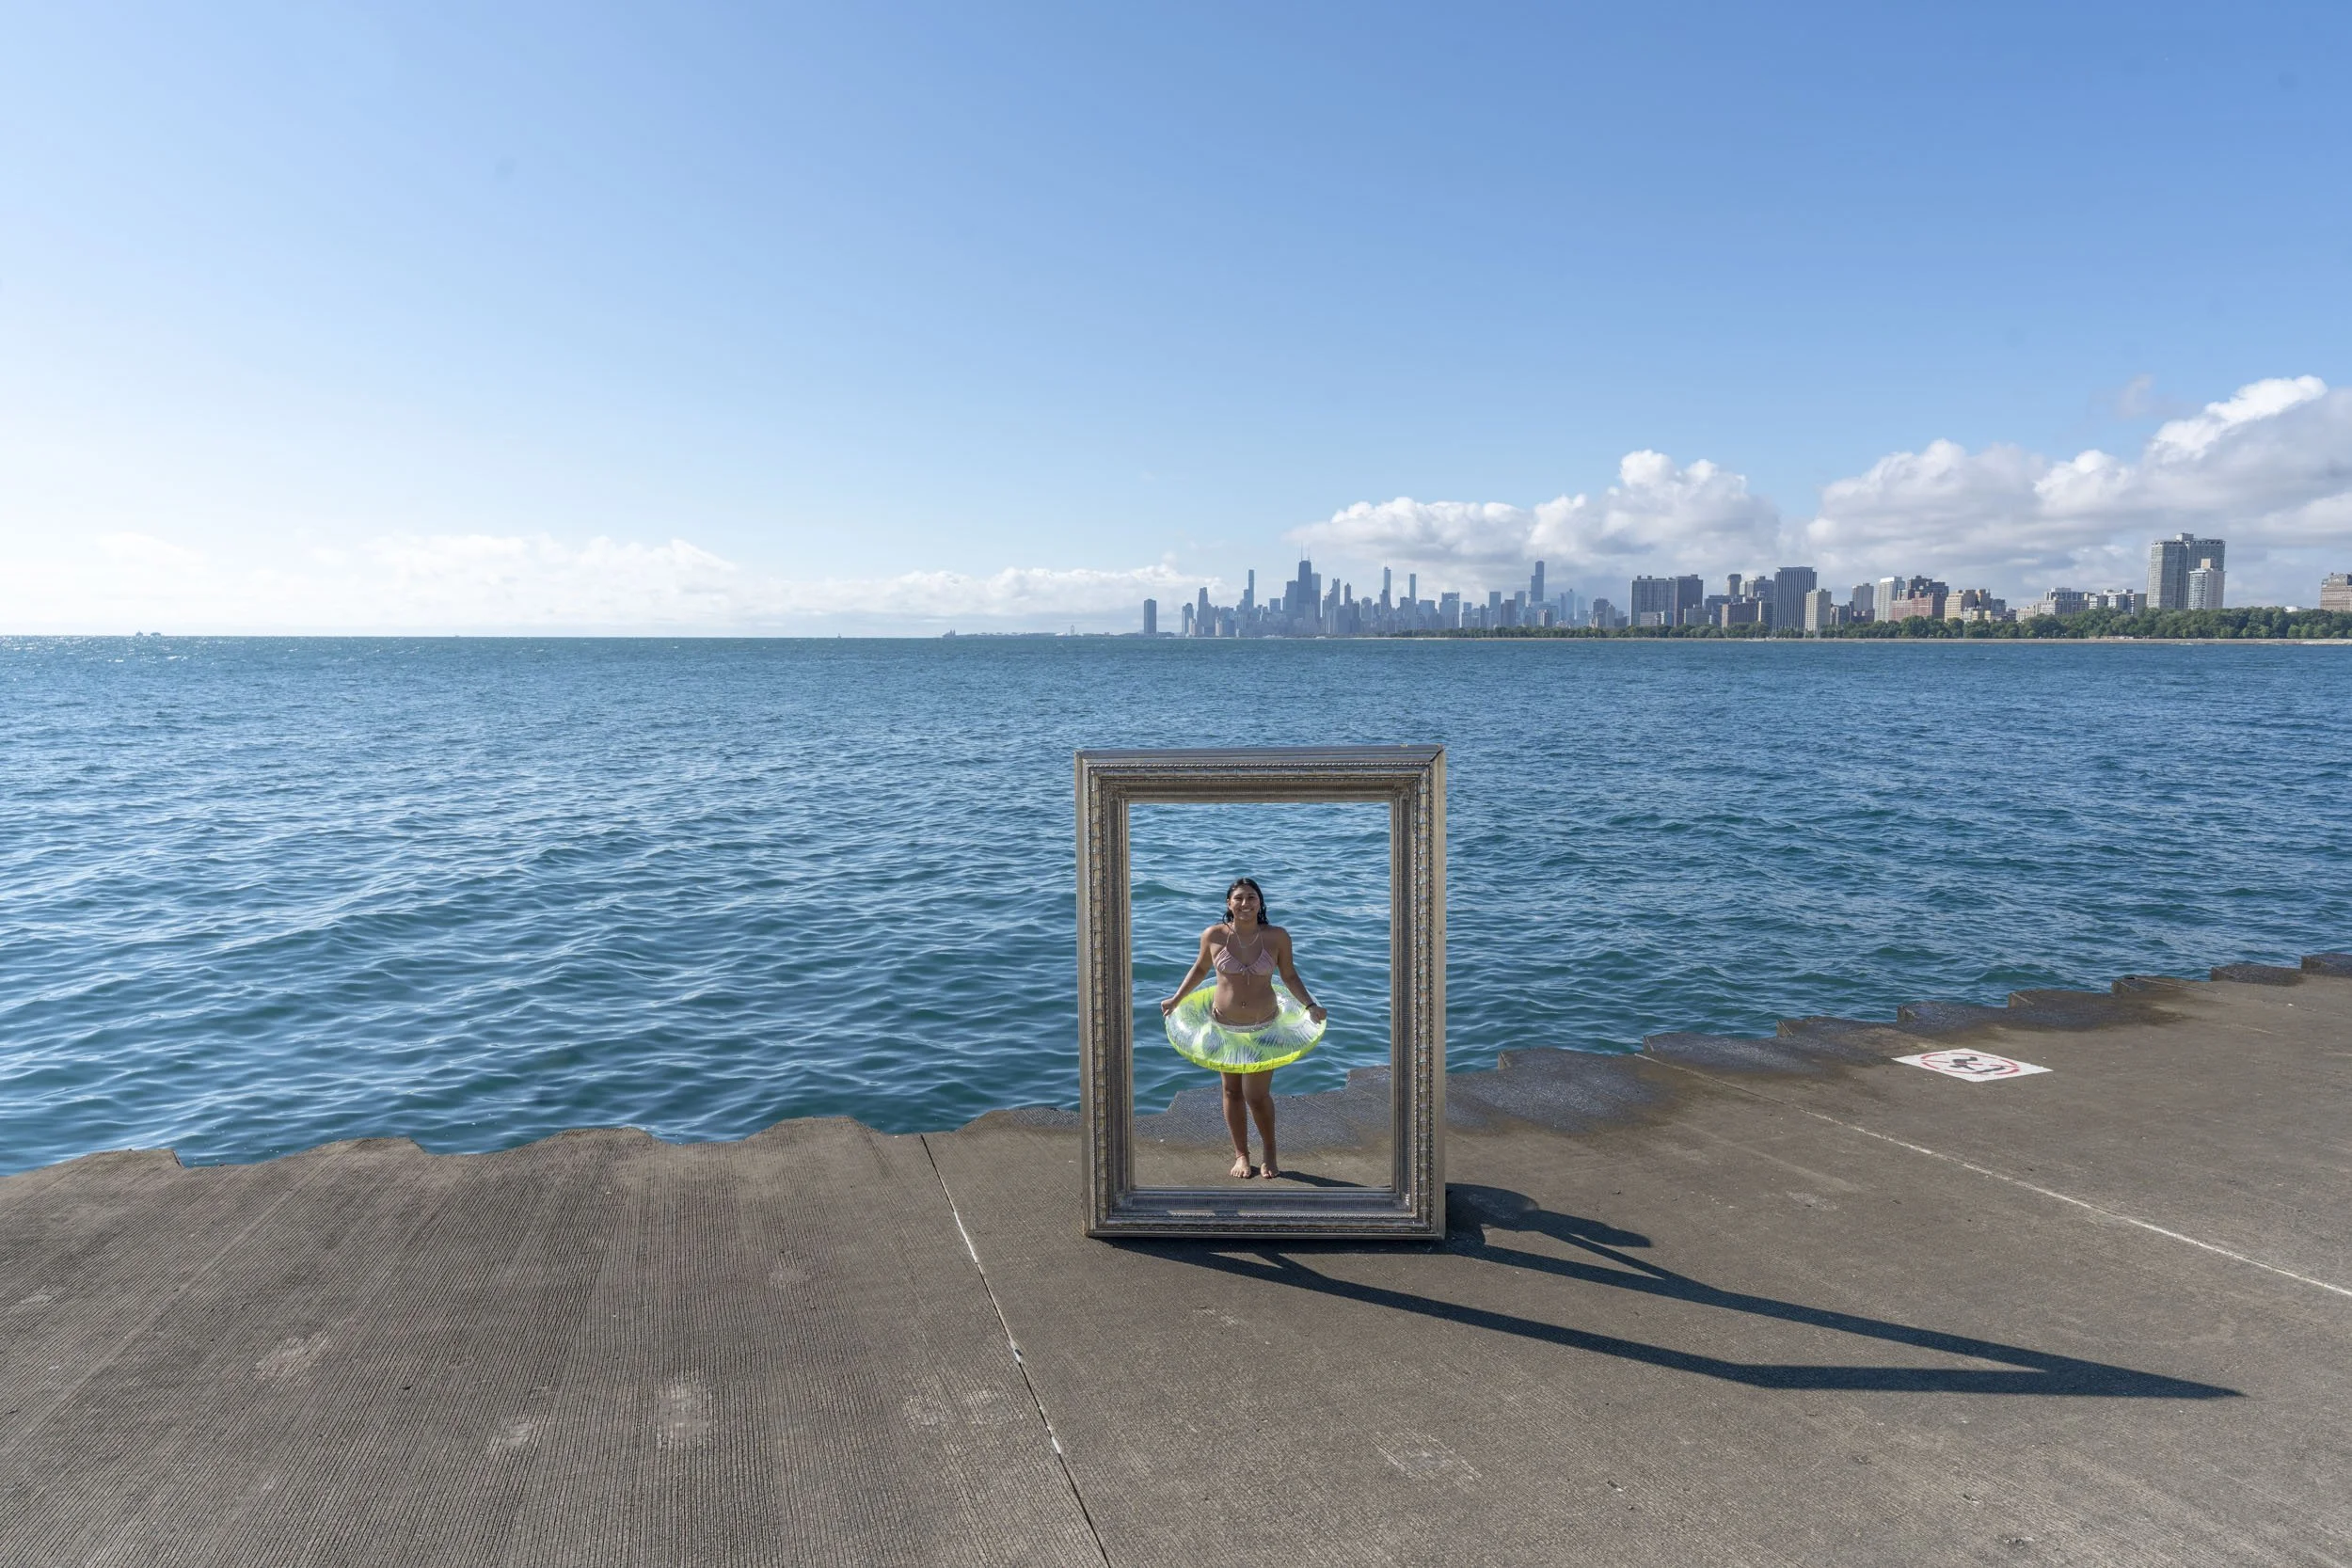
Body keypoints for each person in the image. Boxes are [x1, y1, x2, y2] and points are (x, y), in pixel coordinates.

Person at [1159, 877, 1327, 1180]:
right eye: (1239, 898)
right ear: (1229, 903)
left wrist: (1310, 1006)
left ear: (1260, 902)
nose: (1245, 903)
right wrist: (1176, 998)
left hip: (1264, 1026)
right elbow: (1199, 970)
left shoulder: (1277, 937)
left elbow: (1289, 976)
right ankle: (1241, 1155)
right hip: (1224, 1025)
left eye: (1251, 897)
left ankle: (1270, 1152)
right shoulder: (1214, 935)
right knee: (1231, 1090)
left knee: (1256, 1095)